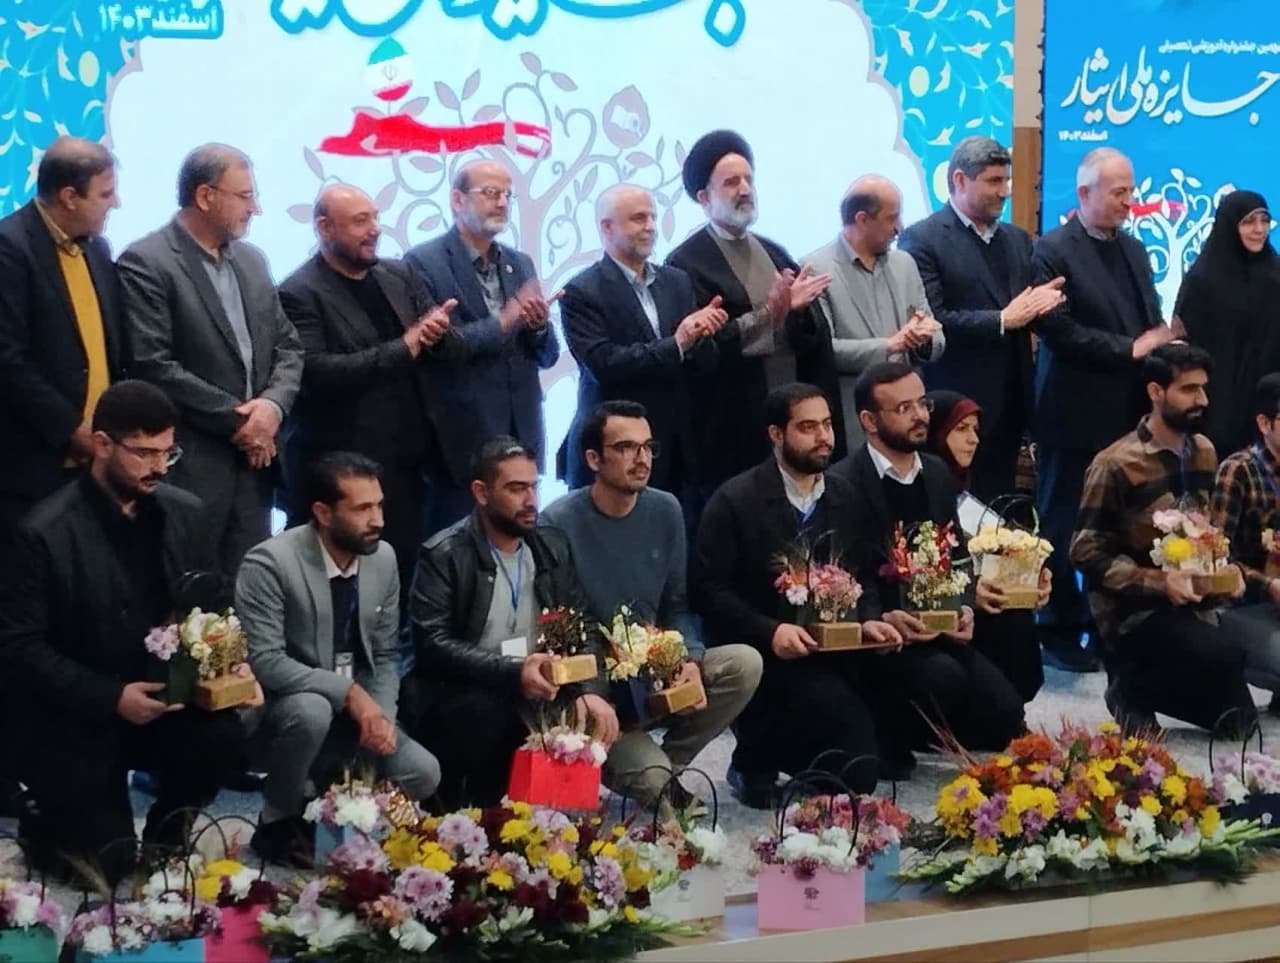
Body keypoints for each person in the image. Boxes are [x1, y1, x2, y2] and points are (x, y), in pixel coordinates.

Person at [0, 381, 250, 883]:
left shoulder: (184, 512)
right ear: (102, 444)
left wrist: (228, 661)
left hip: (163, 699)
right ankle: (45, 821)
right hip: (77, 716)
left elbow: (210, 601)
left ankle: (168, 833)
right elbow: (19, 648)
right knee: (102, 868)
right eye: (143, 453)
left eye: (167, 452)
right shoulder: (43, 532)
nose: (159, 467)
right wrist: (111, 697)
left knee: (223, 735)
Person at [541, 401, 762, 807]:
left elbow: (676, 603)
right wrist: (588, 692)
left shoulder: (665, 509)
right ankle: (647, 772)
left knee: (744, 663)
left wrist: (689, 659)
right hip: (596, 689)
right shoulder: (558, 521)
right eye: (626, 447)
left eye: (647, 447)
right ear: (593, 459)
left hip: (652, 673)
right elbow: (561, 630)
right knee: (652, 781)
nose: (641, 458)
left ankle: (665, 767)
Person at [691, 383, 903, 806]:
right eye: (808, 427)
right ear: (776, 434)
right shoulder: (735, 500)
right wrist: (770, 630)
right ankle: (754, 761)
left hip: (836, 651)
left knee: (860, 772)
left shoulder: (844, 494)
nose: (824, 437)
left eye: (827, 424)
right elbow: (708, 591)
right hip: (765, 649)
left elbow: (863, 572)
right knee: (827, 724)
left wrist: (870, 618)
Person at [236, 452, 441, 865]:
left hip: (356, 709)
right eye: (363, 509)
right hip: (289, 707)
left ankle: (333, 808)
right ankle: (278, 820)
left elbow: (386, 653)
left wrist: (380, 716)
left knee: (424, 773)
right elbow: (267, 661)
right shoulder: (270, 563)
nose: (378, 520)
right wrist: (349, 692)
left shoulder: (382, 558)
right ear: (323, 513)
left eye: (379, 505)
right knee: (311, 711)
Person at [119, 143, 303, 580]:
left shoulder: (252, 260)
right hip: (192, 467)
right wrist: (243, 423)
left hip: (256, 469)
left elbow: (289, 347)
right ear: (205, 196)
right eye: (245, 196)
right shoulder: (147, 262)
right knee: (190, 599)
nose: (255, 208)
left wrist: (271, 408)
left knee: (251, 592)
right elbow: (152, 364)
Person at [832, 364, 1027, 770]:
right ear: (869, 421)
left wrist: (966, 604)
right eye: (904, 408)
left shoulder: (936, 472)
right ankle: (885, 731)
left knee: (1006, 717)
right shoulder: (843, 483)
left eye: (922, 404)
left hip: (938, 625)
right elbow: (844, 571)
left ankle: (927, 724)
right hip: (881, 636)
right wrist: (878, 616)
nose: (920, 415)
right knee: (941, 679)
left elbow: (958, 554)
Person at [279, 184, 461, 611]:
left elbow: (443, 348)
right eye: (361, 221)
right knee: (348, 594)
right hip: (347, 469)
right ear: (324, 227)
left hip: (413, 466)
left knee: (409, 583)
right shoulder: (299, 292)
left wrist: (438, 334)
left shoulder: (398, 274)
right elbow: (317, 373)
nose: (375, 229)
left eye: (375, 217)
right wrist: (406, 345)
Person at [408, 438, 616, 808]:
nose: (531, 500)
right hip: (468, 691)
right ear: (481, 492)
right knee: (487, 714)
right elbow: (431, 644)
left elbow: (582, 621)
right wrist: (513, 671)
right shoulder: (444, 554)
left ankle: (556, 817)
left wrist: (591, 689)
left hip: (542, 684)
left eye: (534, 486)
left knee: (592, 712)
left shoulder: (550, 545)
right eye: (516, 489)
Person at [1030, 147, 1172, 672]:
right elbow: (1056, 330)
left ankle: (1113, 624)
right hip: (1072, 411)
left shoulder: (1132, 248)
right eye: (1119, 192)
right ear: (1084, 193)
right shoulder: (1052, 250)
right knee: (1063, 519)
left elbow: (1149, 319)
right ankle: (1058, 627)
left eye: (1131, 191)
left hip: (1128, 412)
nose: (1129, 201)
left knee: (1122, 522)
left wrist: (1162, 343)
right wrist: (1129, 349)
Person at [1072, 343, 1258, 737]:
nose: (1201, 400)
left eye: (1203, 388)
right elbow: (1085, 550)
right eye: (1188, 389)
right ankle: (1128, 688)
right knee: (1221, 655)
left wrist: (1226, 571)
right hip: (1133, 613)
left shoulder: (1204, 451)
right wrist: (1159, 581)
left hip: (1195, 605)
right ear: (1156, 392)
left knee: (1239, 723)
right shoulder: (1115, 462)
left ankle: (1147, 687)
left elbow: (1206, 531)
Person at [666, 130, 844, 500]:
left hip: (793, 421)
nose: (745, 189)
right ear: (704, 197)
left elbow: (812, 340)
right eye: (731, 182)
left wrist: (797, 314)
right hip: (733, 428)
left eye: (748, 179)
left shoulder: (774, 252)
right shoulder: (686, 263)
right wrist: (769, 314)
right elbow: (704, 351)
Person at [899, 136, 1065, 500]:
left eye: (1006, 180)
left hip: (1012, 408)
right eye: (993, 181)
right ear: (959, 180)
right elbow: (933, 321)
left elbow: (1027, 307)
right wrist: (1002, 320)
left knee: (1000, 510)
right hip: (955, 408)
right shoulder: (922, 239)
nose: (1005, 191)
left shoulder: (1017, 239)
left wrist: (1045, 303)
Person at [404, 160, 560, 534]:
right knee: (457, 549)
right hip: (461, 443)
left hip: (520, 433)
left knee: (518, 544)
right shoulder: (423, 262)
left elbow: (547, 354)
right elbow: (442, 347)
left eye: (508, 195)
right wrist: (504, 321)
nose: (502, 203)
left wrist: (538, 326)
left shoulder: (519, 263)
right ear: (457, 200)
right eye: (491, 193)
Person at [559, 184, 726, 499]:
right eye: (638, 218)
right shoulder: (582, 291)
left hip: (677, 449)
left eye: (652, 217)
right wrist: (678, 342)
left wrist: (704, 335)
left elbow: (701, 363)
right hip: (614, 449)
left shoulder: (676, 281)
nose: (650, 226)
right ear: (607, 227)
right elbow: (605, 364)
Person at [0, 136, 127, 541]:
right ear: (69, 197)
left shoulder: (97, 250)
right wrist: (73, 429)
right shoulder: (10, 248)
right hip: (32, 467)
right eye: (105, 193)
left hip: (96, 465)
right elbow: (8, 360)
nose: (115, 203)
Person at [926, 389, 1051, 702]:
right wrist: (969, 592)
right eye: (961, 429)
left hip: (982, 601)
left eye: (976, 430)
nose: (973, 440)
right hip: (939, 614)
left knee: (1012, 611)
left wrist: (1029, 575)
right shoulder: (917, 489)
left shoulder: (974, 484)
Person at [806, 174, 945, 451]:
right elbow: (824, 352)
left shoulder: (905, 264)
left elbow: (935, 332)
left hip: (909, 420)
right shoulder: (815, 270)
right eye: (892, 218)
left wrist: (924, 340)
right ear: (862, 219)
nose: (900, 227)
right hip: (854, 419)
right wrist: (890, 345)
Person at [1175, 190, 1280, 458]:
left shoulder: (1276, 274)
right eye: (1248, 222)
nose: (1259, 229)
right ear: (1229, 225)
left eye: (1264, 221)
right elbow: (1188, 347)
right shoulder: (1203, 280)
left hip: (1269, 410)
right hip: (1217, 410)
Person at [1210, 373, 1280, 702]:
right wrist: (1268, 585)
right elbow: (1216, 556)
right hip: (1246, 603)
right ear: (1265, 423)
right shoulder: (1238, 470)